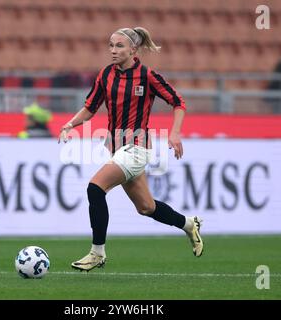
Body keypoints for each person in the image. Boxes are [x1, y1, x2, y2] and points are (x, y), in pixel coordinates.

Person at [58, 27, 204, 272]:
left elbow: (178, 102)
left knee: (95, 188)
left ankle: (97, 253)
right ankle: (189, 224)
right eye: (111, 45)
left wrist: (175, 132)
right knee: (146, 207)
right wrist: (71, 123)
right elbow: (91, 108)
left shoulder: (147, 76)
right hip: (116, 148)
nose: (113, 50)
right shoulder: (105, 75)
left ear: (133, 50)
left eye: (119, 46)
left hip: (137, 148)